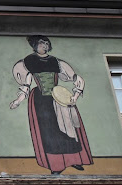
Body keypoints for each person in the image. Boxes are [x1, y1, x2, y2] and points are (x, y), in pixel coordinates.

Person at [9, 35, 92, 174]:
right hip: (41, 101)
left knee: (68, 130)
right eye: (41, 44)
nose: (44, 46)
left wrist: (75, 96)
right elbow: (26, 84)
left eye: (46, 44)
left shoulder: (56, 62)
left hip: (59, 98)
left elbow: (75, 78)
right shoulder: (29, 61)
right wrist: (17, 101)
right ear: (35, 45)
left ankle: (73, 160)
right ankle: (56, 165)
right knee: (50, 133)